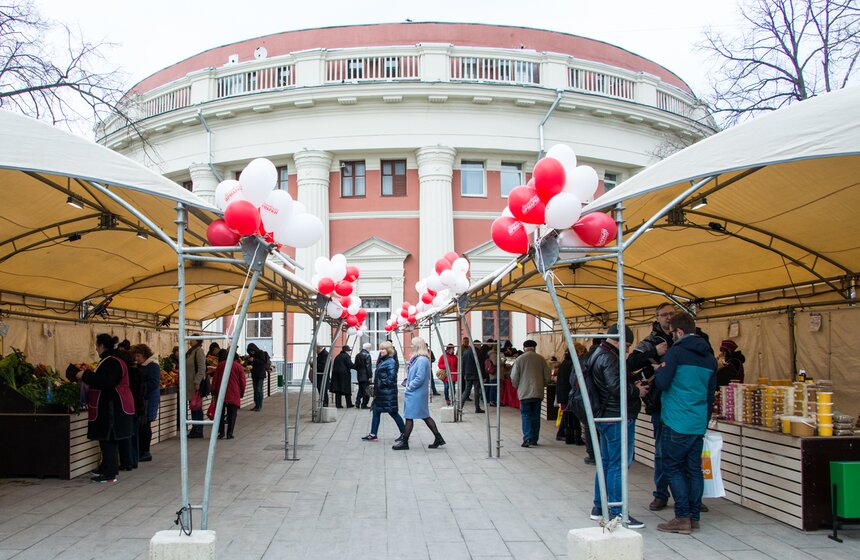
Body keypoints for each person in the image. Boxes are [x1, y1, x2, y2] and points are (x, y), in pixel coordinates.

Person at [655, 312, 718, 535]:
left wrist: (659, 369)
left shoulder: (675, 353)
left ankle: (682, 517)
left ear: (679, 332)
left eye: (672, 333)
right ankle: (694, 517)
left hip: (676, 419)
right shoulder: (710, 357)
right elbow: (711, 394)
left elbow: (662, 383)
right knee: (694, 470)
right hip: (697, 421)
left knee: (672, 467)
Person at [589, 324, 649, 529]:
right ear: (618, 340)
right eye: (627, 345)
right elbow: (615, 387)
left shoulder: (599, 353)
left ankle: (599, 507)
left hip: (606, 416)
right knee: (618, 464)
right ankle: (617, 511)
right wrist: (636, 390)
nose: (627, 350)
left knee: (606, 463)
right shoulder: (610, 357)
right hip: (616, 416)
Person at [627, 302, 675, 512]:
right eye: (664, 315)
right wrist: (654, 352)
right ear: (657, 318)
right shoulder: (651, 341)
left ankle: (692, 496)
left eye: (672, 314)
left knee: (688, 452)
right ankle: (661, 494)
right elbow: (631, 363)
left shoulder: (686, 337)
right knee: (662, 450)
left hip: (683, 401)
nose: (668, 318)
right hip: (661, 401)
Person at [74, 334, 134, 483]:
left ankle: (109, 473)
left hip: (111, 406)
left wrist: (86, 375)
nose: (95, 348)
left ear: (101, 346)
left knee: (108, 438)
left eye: (96, 345)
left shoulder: (111, 362)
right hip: (110, 405)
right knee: (106, 439)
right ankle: (106, 467)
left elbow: (106, 382)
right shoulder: (113, 360)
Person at [393, 337, 445, 450]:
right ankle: (438, 438)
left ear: (417, 346)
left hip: (416, 393)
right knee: (424, 416)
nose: (411, 346)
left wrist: (410, 386)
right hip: (417, 392)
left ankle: (405, 442)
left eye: (412, 344)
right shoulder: (419, 359)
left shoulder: (421, 359)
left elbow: (420, 377)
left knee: (410, 416)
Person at [362, 341, 406, 441]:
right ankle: (373, 434)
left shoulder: (391, 362)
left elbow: (391, 378)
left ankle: (404, 433)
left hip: (387, 393)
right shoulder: (384, 360)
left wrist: (380, 383)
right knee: (376, 411)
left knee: (393, 413)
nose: (380, 351)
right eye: (380, 348)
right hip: (382, 393)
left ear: (388, 350)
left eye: (383, 349)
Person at [511, 339, 551, 447]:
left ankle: (527, 438)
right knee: (536, 416)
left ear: (524, 348)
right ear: (534, 347)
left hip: (524, 392)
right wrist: (544, 384)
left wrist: (517, 386)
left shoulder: (519, 359)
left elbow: (514, 377)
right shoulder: (541, 359)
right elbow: (547, 375)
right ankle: (535, 439)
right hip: (538, 392)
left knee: (526, 415)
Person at [116, 340, 142, 471]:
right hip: (136, 406)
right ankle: (133, 460)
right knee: (134, 435)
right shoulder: (137, 370)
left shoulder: (126, 374)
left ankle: (127, 462)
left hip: (129, 407)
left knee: (127, 435)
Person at [131, 344, 160, 463]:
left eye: (138, 356)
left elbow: (154, 383)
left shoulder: (152, 366)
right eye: (135, 356)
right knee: (142, 425)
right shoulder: (141, 365)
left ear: (144, 355)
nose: (136, 358)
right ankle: (141, 451)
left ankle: (145, 451)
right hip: (143, 399)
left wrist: (139, 389)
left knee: (145, 424)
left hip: (149, 399)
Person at [212, 349, 246, 440]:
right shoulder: (238, 367)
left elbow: (215, 379)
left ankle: (221, 432)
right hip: (234, 393)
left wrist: (214, 391)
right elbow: (242, 381)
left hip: (221, 392)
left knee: (220, 413)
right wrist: (241, 392)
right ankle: (230, 433)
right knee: (232, 414)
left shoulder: (220, 365)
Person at [460, 339, 485, 413]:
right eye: (479, 345)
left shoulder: (466, 352)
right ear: (476, 345)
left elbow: (463, 364)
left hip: (468, 374)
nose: (480, 346)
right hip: (476, 374)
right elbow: (481, 365)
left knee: (467, 391)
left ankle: (460, 406)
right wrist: (483, 375)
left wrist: (464, 374)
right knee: (476, 391)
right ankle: (477, 408)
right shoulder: (477, 353)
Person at [245, 343, 269, 412]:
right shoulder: (251, 355)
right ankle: (256, 405)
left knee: (259, 390)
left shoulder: (260, 353)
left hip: (260, 374)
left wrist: (254, 360)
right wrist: (248, 361)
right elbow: (250, 364)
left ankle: (259, 405)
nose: (251, 352)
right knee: (255, 390)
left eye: (252, 351)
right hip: (254, 374)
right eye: (250, 351)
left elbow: (263, 362)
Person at [354, 343, 373, 409]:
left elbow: (355, 366)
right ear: (367, 348)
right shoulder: (367, 355)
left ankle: (357, 402)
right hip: (366, 376)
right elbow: (368, 367)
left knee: (360, 390)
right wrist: (370, 376)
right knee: (367, 391)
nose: (370, 349)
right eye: (370, 348)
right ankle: (364, 404)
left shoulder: (357, 355)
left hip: (359, 375)